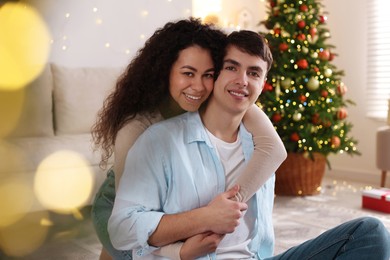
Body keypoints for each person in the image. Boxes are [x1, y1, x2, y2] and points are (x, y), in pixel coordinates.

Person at [108, 30, 390, 259]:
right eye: (232, 67)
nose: (242, 81)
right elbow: (122, 228)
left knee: (370, 231)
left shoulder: (260, 146)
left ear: (263, 83)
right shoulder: (158, 140)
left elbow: (274, 150)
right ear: (215, 74)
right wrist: (205, 219)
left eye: (254, 73)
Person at [91, 18, 287, 260]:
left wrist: (227, 206)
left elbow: (274, 149)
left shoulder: (231, 97)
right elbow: (129, 218)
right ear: (166, 71)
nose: (198, 87)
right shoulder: (138, 130)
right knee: (130, 252)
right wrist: (181, 249)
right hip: (114, 201)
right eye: (188, 73)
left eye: (208, 74)